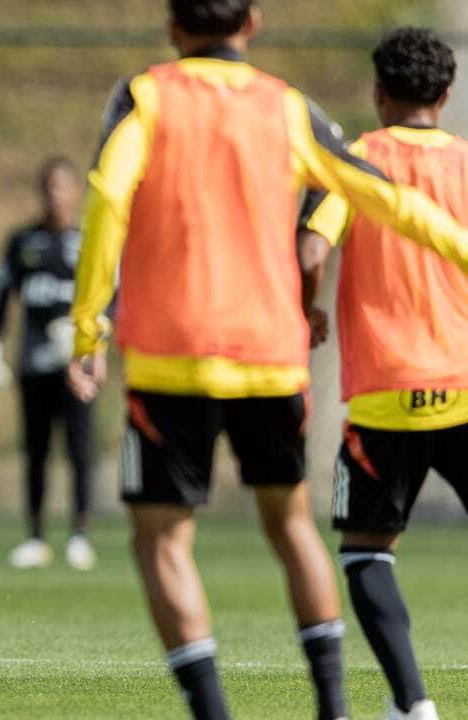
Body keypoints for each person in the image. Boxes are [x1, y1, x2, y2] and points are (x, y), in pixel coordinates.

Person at [67, 2, 468, 719]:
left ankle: (219, 712)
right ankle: (334, 708)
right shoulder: (287, 108)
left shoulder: (144, 96)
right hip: (271, 357)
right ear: (250, 23)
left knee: (163, 539)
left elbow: (105, 195)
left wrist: (86, 326)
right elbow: (389, 201)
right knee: (290, 527)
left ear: (171, 24)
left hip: (172, 355)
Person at [297, 27, 466, 720]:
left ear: (376, 92)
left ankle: (412, 704)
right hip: (462, 384)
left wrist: (310, 311)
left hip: (384, 392)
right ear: (446, 95)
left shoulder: (356, 159)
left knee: (366, 548)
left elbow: (310, 249)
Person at [0, 157, 104, 570]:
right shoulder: (23, 241)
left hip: (77, 366)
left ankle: (80, 535)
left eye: (62, 188)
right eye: (49, 188)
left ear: (73, 192)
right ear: (42, 192)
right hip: (34, 363)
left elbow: (108, 299)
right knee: (36, 451)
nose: (56, 196)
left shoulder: (88, 242)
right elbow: (4, 297)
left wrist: (94, 341)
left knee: (80, 450)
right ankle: (35, 537)